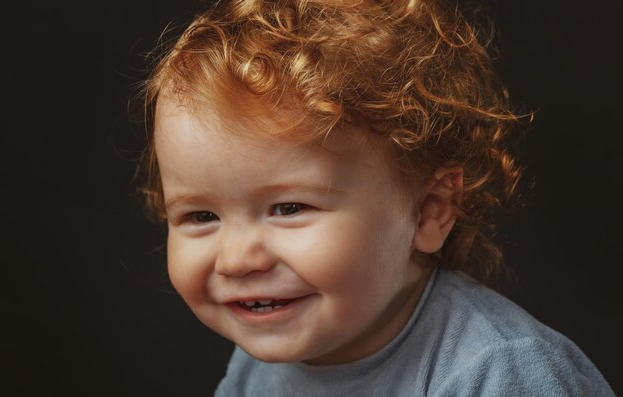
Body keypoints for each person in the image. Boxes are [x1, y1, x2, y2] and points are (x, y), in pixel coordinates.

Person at [138, 0, 615, 395]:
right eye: (202, 215)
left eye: (289, 208)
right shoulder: (256, 371)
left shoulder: (498, 374)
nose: (237, 260)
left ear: (431, 212)